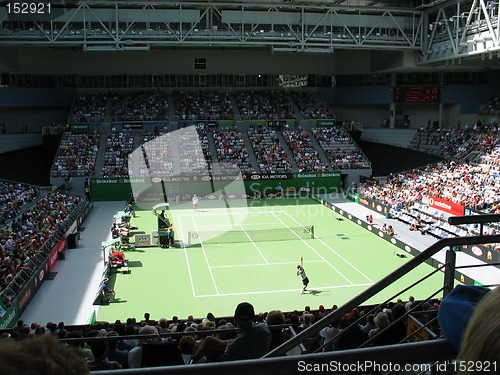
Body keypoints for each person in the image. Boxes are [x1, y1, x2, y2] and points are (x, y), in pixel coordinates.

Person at [192, 302, 271, 362]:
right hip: (257, 362)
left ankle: (189, 364)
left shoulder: (239, 341)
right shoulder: (264, 328)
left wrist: (227, 344)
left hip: (238, 366)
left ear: (235, 319)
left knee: (209, 342)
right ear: (253, 318)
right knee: (210, 340)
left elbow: (225, 358)